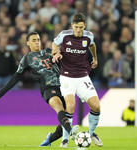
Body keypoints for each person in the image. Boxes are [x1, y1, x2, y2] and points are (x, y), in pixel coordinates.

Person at [0, 31, 79, 146]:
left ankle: (49, 140)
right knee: (58, 106)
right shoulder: (27, 59)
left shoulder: (48, 51)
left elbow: (64, 56)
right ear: (28, 43)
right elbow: (15, 78)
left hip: (63, 86)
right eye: (34, 40)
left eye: (38, 40)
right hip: (47, 88)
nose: (37, 42)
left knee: (65, 117)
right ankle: (71, 132)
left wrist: (59, 54)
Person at [42, 13, 103, 147]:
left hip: (83, 77)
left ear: (85, 26)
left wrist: (95, 58)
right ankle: (65, 138)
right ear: (72, 25)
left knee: (96, 106)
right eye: (76, 27)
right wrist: (56, 53)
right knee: (70, 106)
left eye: (81, 27)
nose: (79, 30)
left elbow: (92, 45)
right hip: (67, 77)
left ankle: (92, 133)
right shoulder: (64, 35)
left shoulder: (89, 36)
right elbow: (54, 44)